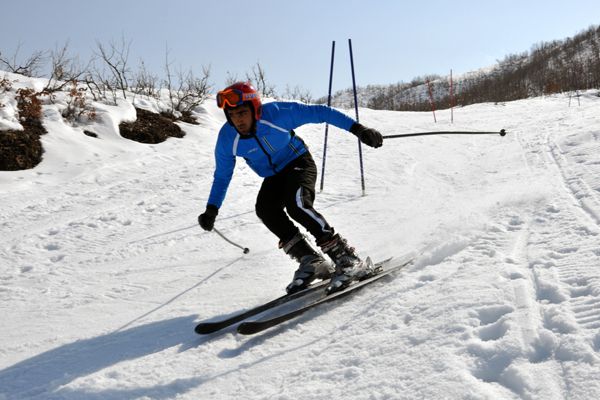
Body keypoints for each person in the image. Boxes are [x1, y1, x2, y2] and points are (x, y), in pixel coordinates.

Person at [198, 82, 383, 294]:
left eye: (242, 113)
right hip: (274, 175)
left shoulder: (277, 114)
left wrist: (359, 129)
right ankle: (311, 260)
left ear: (255, 110)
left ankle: (347, 258)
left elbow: (321, 112)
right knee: (266, 209)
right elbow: (222, 176)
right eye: (232, 115)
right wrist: (212, 208)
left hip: (299, 161)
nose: (238, 120)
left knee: (296, 204)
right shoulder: (227, 139)